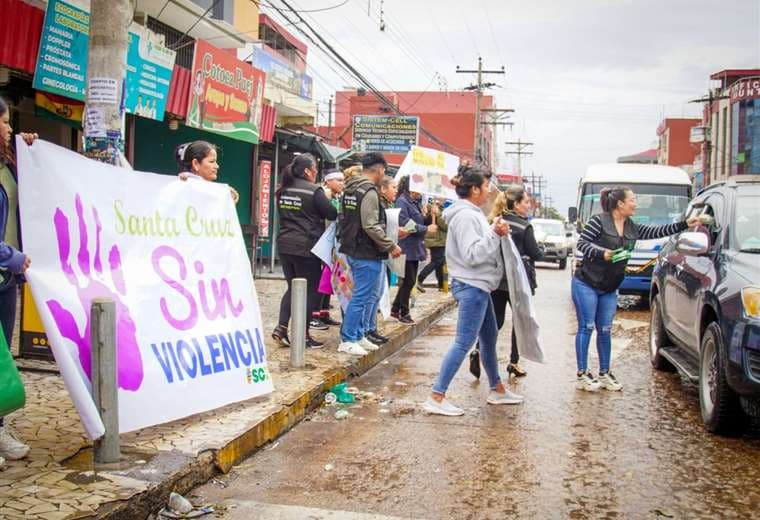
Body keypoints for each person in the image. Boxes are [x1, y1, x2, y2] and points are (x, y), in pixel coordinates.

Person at [573, 185, 699, 392]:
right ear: (620, 204)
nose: (635, 203)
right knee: (587, 327)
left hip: (609, 286)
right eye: (632, 200)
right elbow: (583, 244)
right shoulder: (599, 221)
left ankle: (604, 373)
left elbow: (658, 231)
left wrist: (685, 224)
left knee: (605, 329)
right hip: (586, 283)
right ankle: (582, 373)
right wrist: (601, 252)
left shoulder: (632, 226)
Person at [423, 165, 523, 416]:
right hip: (472, 285)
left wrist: (493, 232)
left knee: (488, 339)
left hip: (479, 285)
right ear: (475, 189)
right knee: (464, 342)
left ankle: (497, 389)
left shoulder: (471, 213)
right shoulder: (467, 216)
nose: (490, 190)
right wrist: (494, 233)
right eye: (486, 185)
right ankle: (437, 395)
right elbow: (473, 255)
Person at [469, 187, 543, 380]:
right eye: (526, 202)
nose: (528, 205)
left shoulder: (495, 222)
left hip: (496, 279)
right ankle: (514, 362)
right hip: (518, 281)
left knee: (496, 321)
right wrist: (540, 249)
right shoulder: (524, 226)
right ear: (516, 204)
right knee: (519, 320)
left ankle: (477, 350)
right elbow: (535, 253)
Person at [0, 97, 35, 468]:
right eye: (6, 122)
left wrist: (29, 153)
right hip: (8, 264)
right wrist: (13, 256)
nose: (10, 127)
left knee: (2, 361)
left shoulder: (8, 164)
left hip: (5, 281)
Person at [337, 153, 401, 355]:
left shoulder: (350, 187)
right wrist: (391, 245)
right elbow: (371, 225)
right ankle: (348, 339)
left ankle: (358, 335)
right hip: (366, 251)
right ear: (379, 169)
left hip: (352, 247)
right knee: (362, 297)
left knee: (365, 295)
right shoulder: (369, 191)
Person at [270, 154, 337, 348]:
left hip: (285, 244)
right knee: (309, 292)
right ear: (308, 171)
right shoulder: (314, 190)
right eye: (315, 168)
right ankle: (303, 335)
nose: (316, 171)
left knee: (293, 287)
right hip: (307, 247)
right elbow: (331, 213)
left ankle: (281, 328)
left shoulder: (283, 190)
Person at [391, 176, 435, 325]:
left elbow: (421, 221)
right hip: (405, 246)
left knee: (409, 281)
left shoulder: (416, 203)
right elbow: (405, 224)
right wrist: (426, 229)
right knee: (408, 280)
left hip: (415, 247)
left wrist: (430, 215)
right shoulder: (402, 202)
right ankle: (404, 311)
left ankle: (396, 309)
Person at [314, 169, 344, 328]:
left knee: (328, 279)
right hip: (323, 242)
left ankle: (324, 312)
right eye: (338, 180)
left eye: (343, 180)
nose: (341, 183)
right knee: (322, 279)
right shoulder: (324, 195)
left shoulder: (336, 197)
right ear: (328, 181)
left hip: (332, 242)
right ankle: (315, 314)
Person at [417, 198, 448, 292]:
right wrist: (437, 214)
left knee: (440, 262)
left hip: (439, 240)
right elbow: (445, 226)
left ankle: (442, 284)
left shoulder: (439, 208)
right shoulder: (432, 208)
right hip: (436, 240)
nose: (444, 199)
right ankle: (419, 279)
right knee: (437, 261)